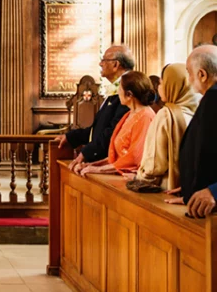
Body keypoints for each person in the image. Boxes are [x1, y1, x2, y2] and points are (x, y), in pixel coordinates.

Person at [56, 45, 134, 174]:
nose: (100, 63)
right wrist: (70, 137)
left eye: (104, 60)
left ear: (116, 64)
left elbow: (113, 132)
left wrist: (86, 153)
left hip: (113, 164)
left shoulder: (128, 90)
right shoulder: (116, 89)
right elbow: (97, 130)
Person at [129, 64, 199, 191]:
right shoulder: (200, 110)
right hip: (189, 187)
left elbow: (155, 164)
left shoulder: (166, 114)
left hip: (165, 188)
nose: (158, 88)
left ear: (172, 85)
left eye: (161, 83)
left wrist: (139, 178)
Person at [167, 45, 217, 218]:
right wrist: (193, 184)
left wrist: (213, 191)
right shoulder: (210, 97)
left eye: (189, 72)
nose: (188, 80)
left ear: (202, 75)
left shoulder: (214, 99)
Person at [76, 71, 156, 176]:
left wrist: (99, 170)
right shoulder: (129, 114)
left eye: (120, 88)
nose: (118, 92)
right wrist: (92, 165)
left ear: (129, 95)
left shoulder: (145, 116)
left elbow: (134, 158)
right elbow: (117, 157)